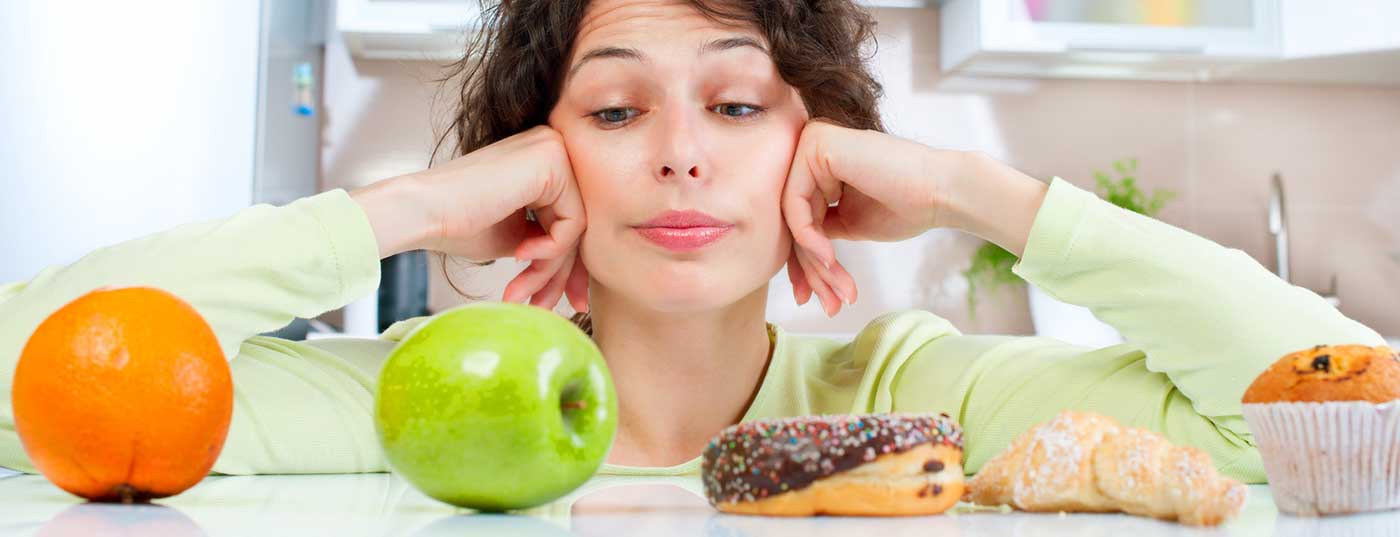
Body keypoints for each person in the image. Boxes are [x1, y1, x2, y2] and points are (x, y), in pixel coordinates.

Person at [0, 0, 1382, 482]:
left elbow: (1344, 418)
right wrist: (402, 210)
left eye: (737, 105)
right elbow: (30, 386)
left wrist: (974, 189)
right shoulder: (413, 407)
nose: (677, 152)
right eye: (613, 111)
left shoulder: (919, 400)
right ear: (537, 167)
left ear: (818, 161)